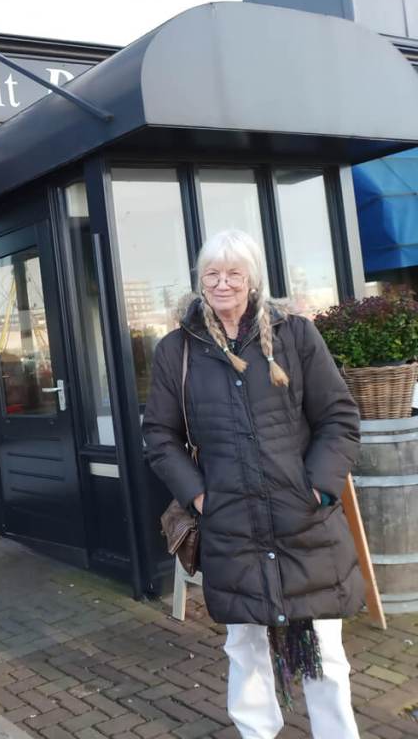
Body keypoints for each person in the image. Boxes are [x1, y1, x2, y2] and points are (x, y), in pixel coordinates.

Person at [143, 229, 364, 739]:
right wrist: (201, 497)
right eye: (212, 274)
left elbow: (338, 417)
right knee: (245, 649)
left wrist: (318, 488)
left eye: (233, 273)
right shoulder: (177, 350)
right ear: (199, 280)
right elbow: (159, 435)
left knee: (326, 653)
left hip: (303, 521)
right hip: (232, 526)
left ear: (253, 279)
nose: (222, 284)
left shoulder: (296, 335)